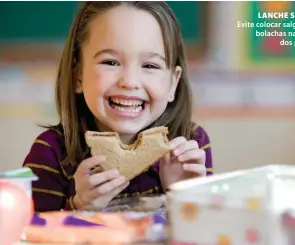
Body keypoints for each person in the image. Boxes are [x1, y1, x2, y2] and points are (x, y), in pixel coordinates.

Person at [23, 1, 213, 212]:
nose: (129, 81)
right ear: (78, 75)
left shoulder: (190, 144)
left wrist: (183, 195)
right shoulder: (51, 153)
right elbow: (29, 236)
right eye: (111, 62)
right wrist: (79, 206)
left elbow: (208, 236)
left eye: (150, 65)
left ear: (173, 83)